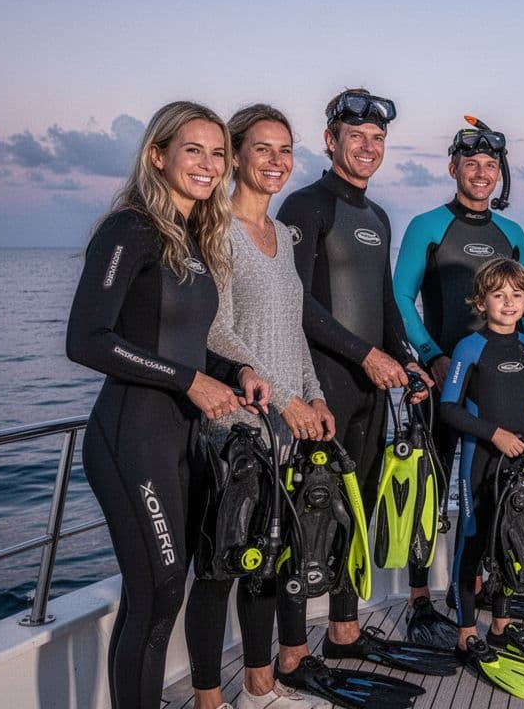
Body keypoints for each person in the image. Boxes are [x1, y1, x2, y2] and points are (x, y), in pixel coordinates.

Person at [66, 101, 269, 709]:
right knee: (157, 594)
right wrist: (188, 380)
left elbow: (185, 342)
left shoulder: (194, 239)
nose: (208, 165)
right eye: (193, 151)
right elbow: (86, 340)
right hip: (131, 438)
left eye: (217, 154)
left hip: (179, 441)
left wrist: (236, 370)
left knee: (158, 596)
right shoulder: (129, 229)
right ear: (158, 156)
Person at [185, 104, 335, 709]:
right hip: (231, 427)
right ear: (237, 155)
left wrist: (315, 396)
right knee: (219, 568)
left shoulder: (283, 237)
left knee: (265, 561)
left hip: (282, 429)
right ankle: (207, 701)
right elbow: (216, 334)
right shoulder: (215, 233)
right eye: (262, 149)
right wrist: (287, 396)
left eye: (285, 151)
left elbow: (292, 328)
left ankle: (259, 688)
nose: (276, 162)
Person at [276, 88, 431, 660]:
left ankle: (343, 633)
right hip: (321, 386)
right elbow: (294, 300)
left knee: (357, 512)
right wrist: (365, 355)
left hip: (372, 392)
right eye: (356, 137)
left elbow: (385, 303)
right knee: (310, 515)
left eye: (378, 139)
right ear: (331, 140)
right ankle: (292, 652)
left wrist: (408, 358)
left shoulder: (379, 216)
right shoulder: (305, 206)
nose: (368, 148)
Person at [392, 118, 524, 627]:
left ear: (500, 173)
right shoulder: (428, 226)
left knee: (490, 494)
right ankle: (418, 601)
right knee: (430, 493)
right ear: (453, 167)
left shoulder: (512, 233)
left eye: (490, 165)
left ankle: (475, 592)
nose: (481, 173)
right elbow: (399, 299)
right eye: (471, 163)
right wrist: (432, 354)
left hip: (497, 388)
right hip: (442, 384)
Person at [435, 258, 524, 696]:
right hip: (481, 461)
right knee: (473, 543)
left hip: (517, 466)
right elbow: (449, 409)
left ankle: (501, 625)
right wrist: (494, 433)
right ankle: (465, 635)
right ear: (482, 302)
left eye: (516, 296)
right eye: (499, 295)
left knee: (509, 543)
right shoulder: (469, 348)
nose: (508, 303)